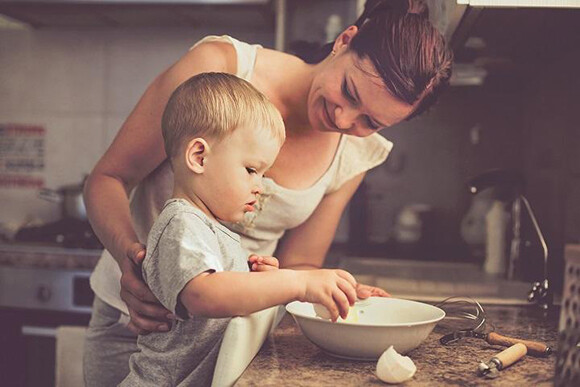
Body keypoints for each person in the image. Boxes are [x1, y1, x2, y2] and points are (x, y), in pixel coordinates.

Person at [83, 0, 453, 385]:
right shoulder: (220, 68)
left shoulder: (356, 152)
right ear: (345, 40)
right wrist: (133, 264)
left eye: (370, 122)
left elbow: (300, 264)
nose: (343, 120)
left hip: (226, 345)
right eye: (349, 91)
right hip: (137, 325)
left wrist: (333, 291)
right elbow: (108, 178)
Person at [118, 72, 358, 386]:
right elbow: (203, 295)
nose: (260, 187)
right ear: (199, 156)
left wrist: (256, 281)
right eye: (251, 170)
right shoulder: (180, 224)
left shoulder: (210, 229)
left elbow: (222, 294)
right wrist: (296, 282)